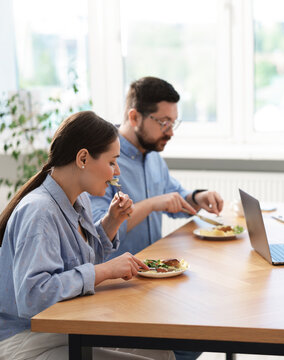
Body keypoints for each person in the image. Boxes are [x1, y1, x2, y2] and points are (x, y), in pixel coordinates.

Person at [0, 111, 174, 359]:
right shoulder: (39, 211)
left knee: (162, 353)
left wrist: (111, 223)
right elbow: (34, 297)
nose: (117, 172)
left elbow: (79, 265)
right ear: (83, 158)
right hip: (28, 340)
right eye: (112, 162)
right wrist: (106, 271)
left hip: (66, 328)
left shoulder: (79, 199)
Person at [90, 76, 223, 260]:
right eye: (164, 122)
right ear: (134, 117)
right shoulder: (102, 160)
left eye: (173, 122)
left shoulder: (153, 156)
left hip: (153, 270)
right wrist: (151, 205)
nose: (170, 132)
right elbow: (99, 234)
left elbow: (173, 196)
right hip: (119, 280)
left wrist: (197, 197)